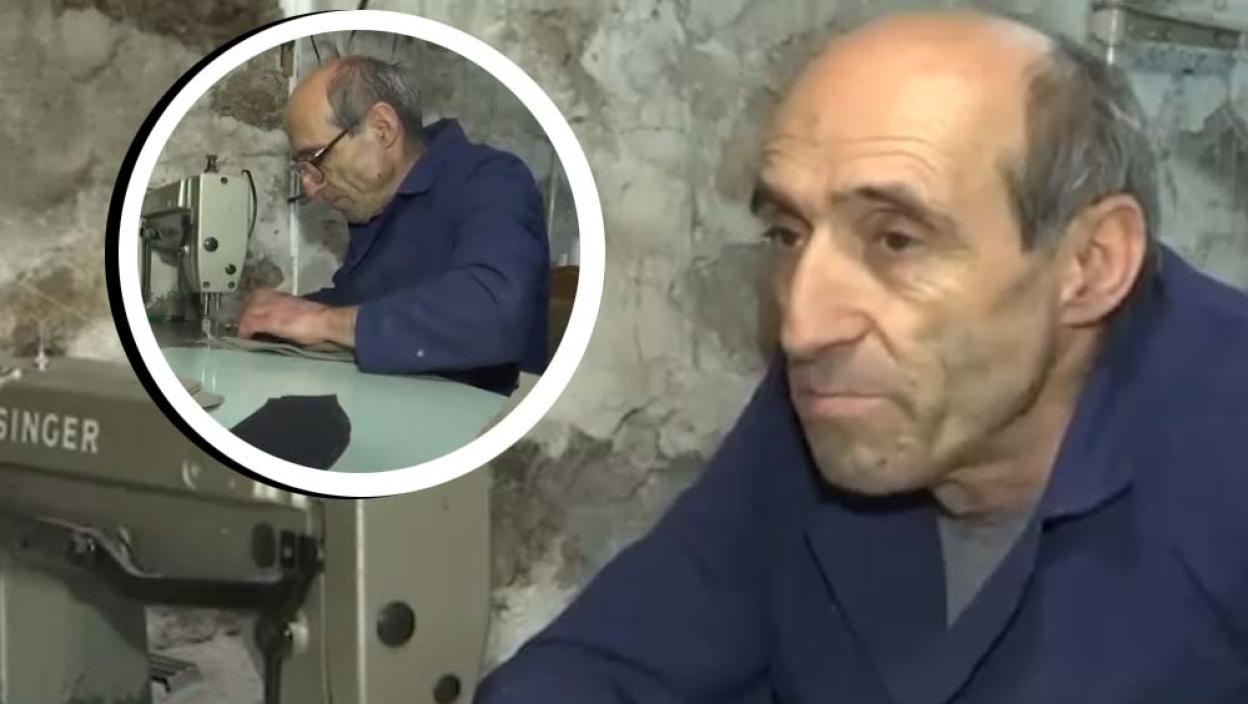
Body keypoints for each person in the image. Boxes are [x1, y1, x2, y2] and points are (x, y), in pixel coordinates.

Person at [476, 10, 1248, 703]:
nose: (802, 327)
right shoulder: (836, 400)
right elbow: (604, 664)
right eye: (788, 234)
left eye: (896, 240)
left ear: (1091, 263)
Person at [238, 56, 550, 395]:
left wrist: (321, 321)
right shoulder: (374, 205)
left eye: (315, 159)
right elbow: (367, 303)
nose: (311, 188)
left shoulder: (493, 179)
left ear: (382, 128)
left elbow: (495, 312)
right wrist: (281, 312)